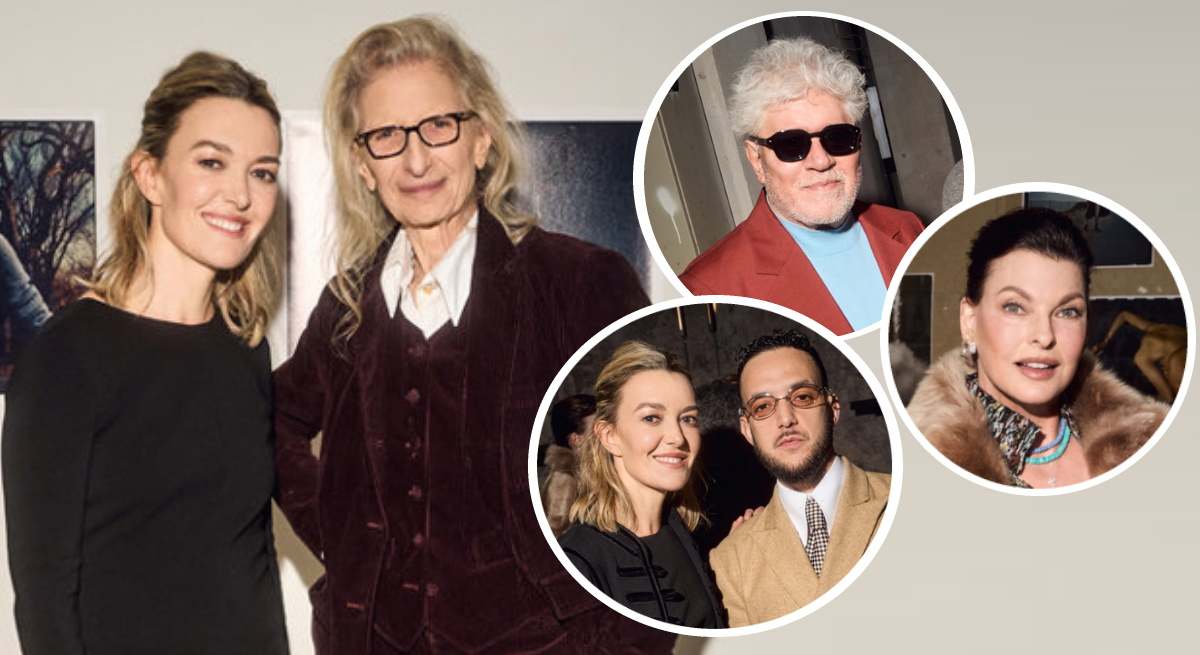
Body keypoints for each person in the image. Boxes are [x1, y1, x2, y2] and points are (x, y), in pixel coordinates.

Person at [272, 17, 672, 654]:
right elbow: (274, 419)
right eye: (386, 136)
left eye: (438, 125)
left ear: (481, 139)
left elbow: (661, 463)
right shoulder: (347, 307)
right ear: (362, 163)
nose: (416, 157)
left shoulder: (577, 282)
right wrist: (340, 534)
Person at [2, 52, 288, 654]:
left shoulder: (247, 354)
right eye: (212, 161)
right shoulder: (69, 357)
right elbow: (45, 598)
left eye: (262, 172)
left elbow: (254, 565)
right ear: (150, 175)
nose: (240, 193)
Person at [907, 208, 1169, 488]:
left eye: (1067, 311)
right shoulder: (921, 471)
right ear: (970, 321)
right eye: (1015, 307)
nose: (1044, 336)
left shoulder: (1152, 442)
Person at [678, 38, 924, 335]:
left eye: (838, 138)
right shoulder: (710, 290)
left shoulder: (907, 229)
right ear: (756, 159)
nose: (821, 161)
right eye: (791, 144)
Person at [709, 330, 889, 627]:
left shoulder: (909, 497)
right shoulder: (731, 560)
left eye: (802, 397)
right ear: (746, 429)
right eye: (763, 407)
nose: (785, 419)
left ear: (832, 409)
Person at [559, 342, 725, 629]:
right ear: (609, 436)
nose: (677, 437)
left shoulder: (685, 533)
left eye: (687, 418)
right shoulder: (577, 557)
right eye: (651, 418)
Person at [1092, 310, 1186, 403]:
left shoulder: (1142, 357)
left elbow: (1167, 396)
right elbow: (1124, 315)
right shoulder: (1154, 328)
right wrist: (1106, 340)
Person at [542, 393, 596, 537]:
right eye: (596, 429)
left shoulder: (589, 472)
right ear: (576, 439)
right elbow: (555, 536)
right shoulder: (564, 480)